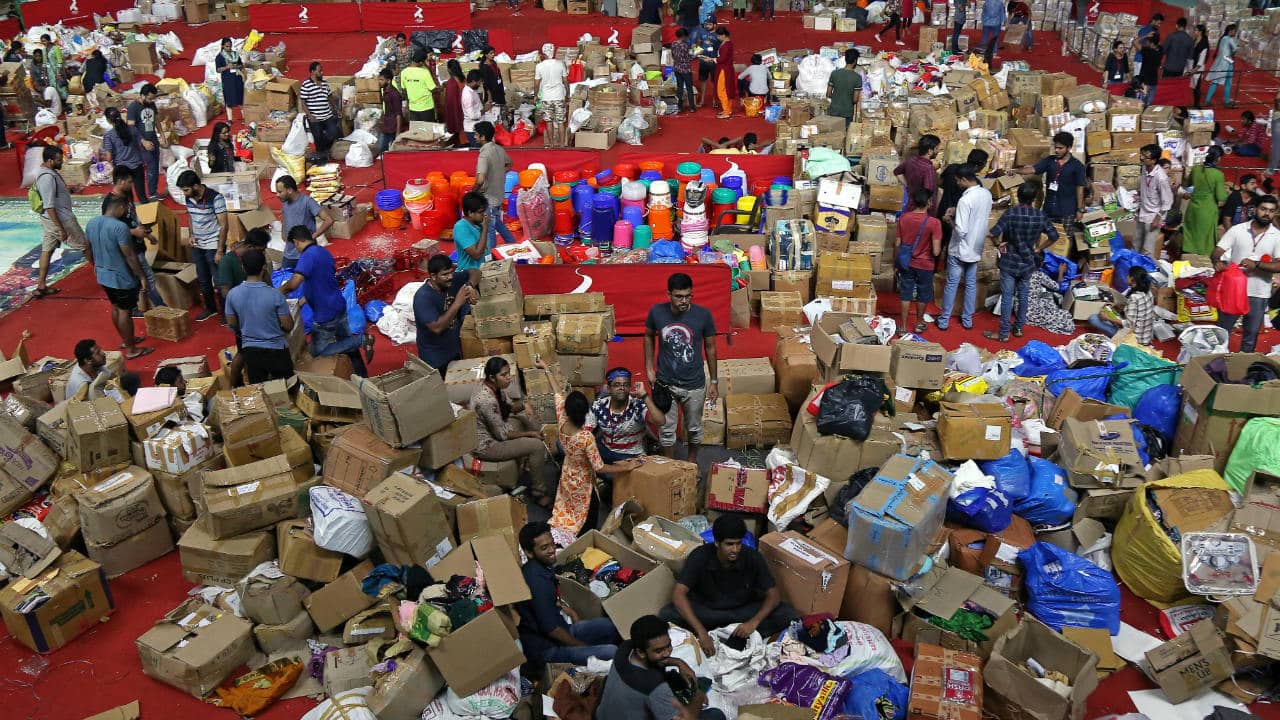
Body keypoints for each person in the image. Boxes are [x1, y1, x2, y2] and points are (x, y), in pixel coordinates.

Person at [661, 515, 799, 656]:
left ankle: (735, 635)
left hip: (741, 612)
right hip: (707, 611)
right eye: (729, 544)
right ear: (717, 543)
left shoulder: (752, 557)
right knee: (667, 614)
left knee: (787, 613)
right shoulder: (699, 556)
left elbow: (774, 595)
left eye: (738, 543)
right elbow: (679, 594)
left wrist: (753, 623)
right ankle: (719, 634)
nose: (735, 549)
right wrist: (701, 632)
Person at [516, 522, 622, 666]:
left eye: (552, 544)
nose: (552, 549)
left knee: (611, 626)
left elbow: (549, 606)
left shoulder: (540, 568)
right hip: (547, 649)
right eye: (544, 548)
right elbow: (552, 629)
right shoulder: (537, 582)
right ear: (529, 552)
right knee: (611, 652)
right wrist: (581, 646)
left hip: (562, 629)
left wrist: (571, 612)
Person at [551, 379, 646, 535]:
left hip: (567, 475)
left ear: (567, 410)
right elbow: (599, 467)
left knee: (568, 509)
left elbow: (558, 394)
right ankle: (587, 538)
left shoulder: (562, 421)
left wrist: (546, 368)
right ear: (584, 413)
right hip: (584, 482)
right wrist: (626, 466)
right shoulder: (585, 437)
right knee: (588, 515)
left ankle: (566, 536)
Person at [645, 272, 717, 467]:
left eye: (688, 296)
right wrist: (649, 367)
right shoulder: (657, 312)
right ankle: (671, 467)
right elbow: (649, 336)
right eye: (679, 296)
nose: (684, 301)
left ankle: (691, 463)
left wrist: (714, 381)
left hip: (694, 384)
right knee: (666, 430)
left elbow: (710, 348)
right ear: (668, 294)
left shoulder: (703, 315)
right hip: (665, 383)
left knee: (693, 428)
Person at [279, 227, 371, 376]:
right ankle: (362, 377)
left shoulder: (307, 256)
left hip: (325, 314)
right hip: (338, 305)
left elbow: (294, 283)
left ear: (296, 242)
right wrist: (301, 302)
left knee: (317, 350)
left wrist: (279, 292)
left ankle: (361, 340)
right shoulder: (323, 252)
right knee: (346, 344)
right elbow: (320, 282)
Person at [596, 615, 723, 720]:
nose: (667, 653)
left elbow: (658, 661)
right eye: (659, 650)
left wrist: (679, 663)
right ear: (641, 652)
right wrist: (699, 696)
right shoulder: (654, 687)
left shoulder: (624, 649)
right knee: (715, 715)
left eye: (669, 646)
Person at [471, 356, 550, 500]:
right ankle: (540, 493)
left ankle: (529, 462)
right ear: (492, 377)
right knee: (536, 445)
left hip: (497, 429)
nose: (508, 378)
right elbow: (503, 435)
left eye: (508, 373)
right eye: (503, 375)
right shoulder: (486, 401)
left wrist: (525, 405)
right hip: (487, 445)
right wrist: (530, 434)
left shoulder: (495, 388)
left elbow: (510, 409)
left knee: (525, 418)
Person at [986, 183, 1058, 342]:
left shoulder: (1010, 213)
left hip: (1009, 261)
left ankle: (1003, 333)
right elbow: (1054, 236)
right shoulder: (1040, 216)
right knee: (1023, 296)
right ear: (1034, 199)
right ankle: (1018, 328)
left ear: (1018, 196)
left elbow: (993, 233)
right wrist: (1039, 248)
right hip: (1027, 262)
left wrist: (999, 244)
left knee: (1007, 297)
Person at [85, 195, 152, 360]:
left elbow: (87, 248)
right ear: (121, 208)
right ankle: (131, 349)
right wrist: (141, 276)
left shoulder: (91, 223)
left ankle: (126, 339)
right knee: (125, 311)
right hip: (120, 277)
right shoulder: (120, 227)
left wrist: (95, 265)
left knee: (116, 307)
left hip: (102, 275)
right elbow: (129, 255)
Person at [1214, 195, 1280, 352]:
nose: (1267, 214)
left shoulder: (1277, 236)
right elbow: (1218, 250)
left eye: (1271, 211)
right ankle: (1216, 365)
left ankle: (1242, 368)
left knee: (1250, 336)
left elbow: (1279, 265)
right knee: (1223, 332)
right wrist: (1217, 261)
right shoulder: (1238, 230)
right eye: (1263, 209)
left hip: (1259, 293)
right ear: (1255, 209)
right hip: (1233, 290)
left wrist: (1256, 265)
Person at [224, 249, 295, 383]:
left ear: (243, 267)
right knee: (288, 389)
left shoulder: (233, 294)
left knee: (260, 393)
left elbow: (232, 323)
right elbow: (288, 325)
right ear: (264, 268)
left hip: (251, 352)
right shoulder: (275, 295)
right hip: (277, 351)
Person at [103, 165, 163, 313]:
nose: (132, 185)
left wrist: (147, 234)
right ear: (121, 181)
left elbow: (134, 218)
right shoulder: (111, 203)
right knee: (146, 278)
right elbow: (109, 228)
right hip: (129, 249)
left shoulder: (126, 197)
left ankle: (137, 307)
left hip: (137, 246)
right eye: (130, 182)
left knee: (141, 278)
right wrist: (133, 232)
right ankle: (160, 307)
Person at [939, 166, 992, 331]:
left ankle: (944, 320)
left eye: (957, 181)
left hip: (959, 249)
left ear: (963, 180)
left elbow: (961, 230)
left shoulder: (965, 200)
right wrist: (957, 210)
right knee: (970, 284)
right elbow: (977, 216)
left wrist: (950, 221)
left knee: (952, 283)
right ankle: (967, 319)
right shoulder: (986, 194)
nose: (957, 184)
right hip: (976, 248)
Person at [1017, 131, 1087, 245]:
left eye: (1060, 148)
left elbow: (1080, 189)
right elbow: (1033, 169)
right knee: (1043, 237)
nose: (1057, 150)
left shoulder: (1077, 166)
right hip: (1049, 208)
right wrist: (1015, 171)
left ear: (1068, 148)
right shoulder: (1050, 161)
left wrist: (1079, 210)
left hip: (1067, 210)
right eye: (1056, 147)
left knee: (1065, 241)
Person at [33, 146, 85, 299]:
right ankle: (104, 277)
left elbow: (53, 195)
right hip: (61, 220)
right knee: (85, 246)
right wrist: (61, 228)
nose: (61, 162)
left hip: (50, 221)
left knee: (47, 250)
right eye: (58, 160)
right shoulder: (47, 177)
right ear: (49, 161)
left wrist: (69, 190)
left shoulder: (49, 173)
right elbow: (49, 206)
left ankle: (41, 285)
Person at [176, 170, 228, 322]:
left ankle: (226, 313)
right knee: (203, 280)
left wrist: (219, 250)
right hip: (198, 245)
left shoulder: (216, 198)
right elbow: (190, 217)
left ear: (196, 186)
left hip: (213, 244)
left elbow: (224, 226)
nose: (184, 193)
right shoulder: (189, 198)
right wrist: (192, 235)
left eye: (186, 189)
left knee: (219, 282)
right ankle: (211, 309)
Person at [586, 368, 667, 462]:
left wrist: (644, 395)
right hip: (606, 451)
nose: (622, 388)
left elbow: (661, 421)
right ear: (608, 389)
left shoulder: (638, 405)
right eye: (617, 385)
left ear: (629, 387)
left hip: (633, 455)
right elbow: (585, 434)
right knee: (571, 447)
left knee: (619, 474)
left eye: (626, 385)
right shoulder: (599, 405)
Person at [413, 253, 476, 374]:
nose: (450, 277)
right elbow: (437, 327)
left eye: (451, 272)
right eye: (445, 275)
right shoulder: (423, 298)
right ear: (433, 276)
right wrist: (458, 302)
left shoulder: (451, 281)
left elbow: (475, 272)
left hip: (455, 349)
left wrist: (469, 285)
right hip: (436, 359)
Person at [897, 189, 943, 335]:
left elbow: (898, 243)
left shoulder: (903, 218)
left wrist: (895, 263)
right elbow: (936, 252)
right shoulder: (934, 223)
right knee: (923, 294)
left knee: (906, 293)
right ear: (929, 203)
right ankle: (918, 323)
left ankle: (903, 326)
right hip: (926, 265)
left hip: (906, 262)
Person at [473, 121, 518, 247]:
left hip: (488, 197)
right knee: (497, 221)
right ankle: (512, 243)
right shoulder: (499, 149)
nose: (474, 137)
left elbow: (480, 180)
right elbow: (509, 164)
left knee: (489, 228)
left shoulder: (484, 155)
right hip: (498, 195)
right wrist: (498, 173)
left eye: (476, 135)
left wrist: (472, 193)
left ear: (482, 137)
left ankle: (491, 256)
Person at [276, 176, 333, 270]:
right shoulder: (285, 202)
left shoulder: (307, 202)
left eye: (280, 192)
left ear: (290, 190)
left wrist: (313, 236)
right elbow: (285, 217)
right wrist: (283, 233)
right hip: (289, 255)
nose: (277, 195)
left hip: (305, 255)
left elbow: (328, 220)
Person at [1088, 267, 1155, 346]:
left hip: (1135, 340)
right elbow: (1139, 311)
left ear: (1132, 279)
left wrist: (1107, 318)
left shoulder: (1134, 298)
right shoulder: (1148, 292)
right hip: (1145, 336)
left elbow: (1129, 325)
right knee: (1112, 313)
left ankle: (1119, 340)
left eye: (1128, 275)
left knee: (1094, 319)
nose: (1126, 277)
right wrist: (1118, 306)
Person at [1183, 146, 1227, 256]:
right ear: (1218, 159)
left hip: (1193, 208)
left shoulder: (1196, 169)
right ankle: (1202, 261)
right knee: (1205, 238)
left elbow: (1188, 185)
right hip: (1207, 210)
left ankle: (1188, 256)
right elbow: (1221, 196)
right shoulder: (1218, 174)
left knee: (1191, 233)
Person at [1134, 144, 1173, 262]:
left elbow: (1168, 200)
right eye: (1142, 155)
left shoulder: (1161, 177)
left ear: (1154, 160)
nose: (1142, 158)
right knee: (1136, 243)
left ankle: (1146, 274)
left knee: (1147, 249)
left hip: (1154, 216)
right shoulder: (1145, 168)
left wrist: (1158, 218)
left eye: (1145, 157)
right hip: (1143, 212)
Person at [100, 108, 146, 205]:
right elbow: (140, 145)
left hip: (121, 169)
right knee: (141, 194)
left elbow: (109, 157)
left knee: (125, 196)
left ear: (108, 120)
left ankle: (129, 212)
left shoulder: (109, 136)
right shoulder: (132, 129)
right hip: (136, 164)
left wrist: (103, 158)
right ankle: (148, 214)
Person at [126, 83, 161, 202]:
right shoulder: (133, 107)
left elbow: (156, 119)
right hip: (141, 142)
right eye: (150, 98)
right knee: (151, 165)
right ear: (142, 95)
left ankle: (154, 191)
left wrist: (161, 134)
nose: (151, 101)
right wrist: (143, 141)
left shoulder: (152, 105)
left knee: (156, 166)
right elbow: (131, 127)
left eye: (153, 98)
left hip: (153, 139)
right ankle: (151, 193)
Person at [299, 62, 339, 157]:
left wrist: (337, 109)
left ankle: (324, 149)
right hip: (315, 117)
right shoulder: (306, 85)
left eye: (322, 70)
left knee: (334, 132)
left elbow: (330, 97)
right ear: (312, 72)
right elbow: (303, 103)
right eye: (319, 71)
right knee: (317, 137)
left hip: (327, 115)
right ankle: (321, 155)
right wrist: (310, 116)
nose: (322, 72)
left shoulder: (324, 83)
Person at [895, 135, 940, 213]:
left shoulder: (911, 160)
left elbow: (897, 172)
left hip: (910, 206)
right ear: (930, 151)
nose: (938, 151)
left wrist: (908, 185)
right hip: (922, 212)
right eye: (936, 148)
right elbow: (928, 193)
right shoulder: (928, 169)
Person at [535, 44, 569, 147]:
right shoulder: (560, 64)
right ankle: (562, 144)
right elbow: (566, 81)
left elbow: (536, 83)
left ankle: (551, 144)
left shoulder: (539, 66)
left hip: (546, 97)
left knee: (549, 121)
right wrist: (567, 94)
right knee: (561, 121)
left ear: (543, 52)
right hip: (559, 96)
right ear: (553, 51)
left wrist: (536, 95)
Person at [454, 191, 492, 279]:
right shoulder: (461, 227)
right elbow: (476, 254)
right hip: (469, 277)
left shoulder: (479, 223)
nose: (484, 215)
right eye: (480, 212)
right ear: (470, 213)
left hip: (483, 273)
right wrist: (485, 228)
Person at [398, 50, 438, 124]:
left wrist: (408, 104)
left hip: (413, 108)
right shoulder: (425, 72)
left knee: (416, 132)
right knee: (428, 132)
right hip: (427, 107)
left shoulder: (404, 72)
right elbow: (433, 89)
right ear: (421, 62)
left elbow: (404, 90)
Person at [826, 48, 863, 127]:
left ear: (845, 59)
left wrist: (836, 99)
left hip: (834, 110)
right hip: (847, 112)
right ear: (855, 60)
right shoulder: (857, 77)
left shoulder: (835, 73)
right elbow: (855, 99)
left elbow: (828, 94)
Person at [691, 17, 721, 111]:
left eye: (709, 24)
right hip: (703, 61)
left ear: (715, 25)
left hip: (713, 62)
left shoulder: (719, 35)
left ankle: (714, 100)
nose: (707, 26)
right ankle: (702, 100)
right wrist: (694, 53)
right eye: (706, 24)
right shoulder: (702, 32)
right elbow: (698, 44)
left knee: (714, 82)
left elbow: (721, 49)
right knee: (702, 81)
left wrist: (717, 59)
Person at [1205, 24, 1238, 107]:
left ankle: (1207, 100)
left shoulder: (1222, 39)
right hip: (1227, 64)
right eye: (1234, 31)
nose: (1235, 32)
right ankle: (1227, 101)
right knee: (1228, 83)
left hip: (1219, 64)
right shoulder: (1229, 39)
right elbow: (1235, 49)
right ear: (1230, 31)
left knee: (1215, 82)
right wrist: (1232, 60)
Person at [215, 37, 244, 123]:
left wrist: (236, 66)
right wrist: (227, 67)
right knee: (229, 98)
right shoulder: (220, 57)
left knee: (240, 98)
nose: (229, 48)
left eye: (230, 46)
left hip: (237, 78)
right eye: (227, 46)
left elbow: (241, 65)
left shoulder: (235, 54)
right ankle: (230, 119)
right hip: (228, 80)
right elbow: (218, 69)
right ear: (223, 46)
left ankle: (244, 117)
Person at [376, 68, 405, 156]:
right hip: (386, 123)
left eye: (381, 80)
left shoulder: (394, 94)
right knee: (381, 148)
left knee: (389, 149)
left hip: (393, 126)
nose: (379, 82)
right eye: (379, 79)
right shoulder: (384, 90)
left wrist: (398, 132)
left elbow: (399, 114)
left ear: (388, 81)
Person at [712, 28, 736, 120]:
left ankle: (726, 111)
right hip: (727, 69)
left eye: (718, 36)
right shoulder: (728, 43)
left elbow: (722, 59)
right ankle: (728, 109)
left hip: (724, 70)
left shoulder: (726, 45)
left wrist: (713, 59)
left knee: (722, 91)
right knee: (727, 90)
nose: (717, 37)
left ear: (723, 35)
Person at [671, 28, 697, 114]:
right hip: (685, 69)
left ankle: (679, 107)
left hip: (677, 68)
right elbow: (689, 57)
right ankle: (692, 107)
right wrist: (696, 52)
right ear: (683, 36)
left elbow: (673, 55)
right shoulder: (685, 46)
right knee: (689, 88)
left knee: (680, 88)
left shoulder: (673, 44)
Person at [443, 59, 466, 146]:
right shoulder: (463, 79)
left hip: (457, 111)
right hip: (465, 109)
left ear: (449, 69)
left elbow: (450, 103)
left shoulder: (451, 83)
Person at [478, 46, 506, 118]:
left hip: (499, 90)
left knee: (501, 110)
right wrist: (490, 97)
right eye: (491, 53)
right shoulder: (484, 67)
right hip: (492, 93)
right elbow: (486, 84)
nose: (493, 54)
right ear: (486, 55)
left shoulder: (493, 63)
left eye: (493, 53)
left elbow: (498, 76)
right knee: (494, 112)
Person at [461, 70, 486, 148]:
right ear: (473, 81)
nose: (480, 84)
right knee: (477, 151)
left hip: (477, 127)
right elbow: (473, 116)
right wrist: (485, 109)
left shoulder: (472, 91)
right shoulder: (467, 95)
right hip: (472, 129)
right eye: (479, 82)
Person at [1136, 34, 1162, 107]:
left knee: (1141, 104)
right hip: (1154, 82)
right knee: (1149, 105)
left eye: (1147, 41)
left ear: (1151, 43)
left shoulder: (1146, 51)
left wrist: (1145, 35)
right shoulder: (1160, 50)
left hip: (1144, 82)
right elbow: (1159, 44)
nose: (1145, 42)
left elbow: (1135, 42)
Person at [1190, 24, 1211, 107]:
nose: (1194, 32)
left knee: (1197, 87)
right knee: (1194, 87)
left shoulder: (1204, 43)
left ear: (1200, 32)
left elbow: (1202, 57)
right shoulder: (1195, 40)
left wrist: (1196, 68)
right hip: (1192, 65)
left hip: (1198, 67)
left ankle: (1197, 105)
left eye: (1196, 30)